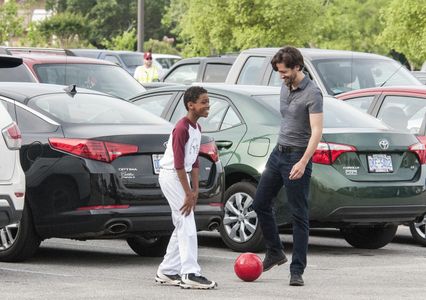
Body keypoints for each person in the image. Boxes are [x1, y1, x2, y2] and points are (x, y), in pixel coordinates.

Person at [252, 46, 323, 287]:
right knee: (260, 202)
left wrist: (303, 162)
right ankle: (275, 252)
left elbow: (317, 132)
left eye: (284, 72)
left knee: (298, 214)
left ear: (297, 67)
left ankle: (297, 270)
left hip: (297, 157)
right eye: (278, 72)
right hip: (278, 153)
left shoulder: (313, 93)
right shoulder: (285, 86)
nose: (280, 76)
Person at [155, 86, 217, 290]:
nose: (207, 105)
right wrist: (188, 192)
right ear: (191, 105)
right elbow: (179, 164)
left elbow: (195, 161)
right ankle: (190, 272)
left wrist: (195, 189)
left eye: (208, 101)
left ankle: (166, 270)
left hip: (182, 177)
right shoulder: (181, 128)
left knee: (182, 223)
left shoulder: (197, 129)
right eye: (204, 102)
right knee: (186, 222)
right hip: (172, 176)